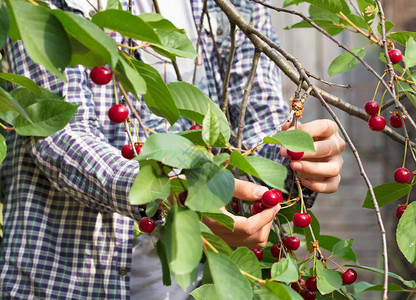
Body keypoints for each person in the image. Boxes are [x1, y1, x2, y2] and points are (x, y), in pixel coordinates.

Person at [0, 0, 345, 299]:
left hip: (192, 284)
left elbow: (253, 128)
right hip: (63, 279)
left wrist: (295, 163)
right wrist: (170, 192)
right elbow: (58, 132)